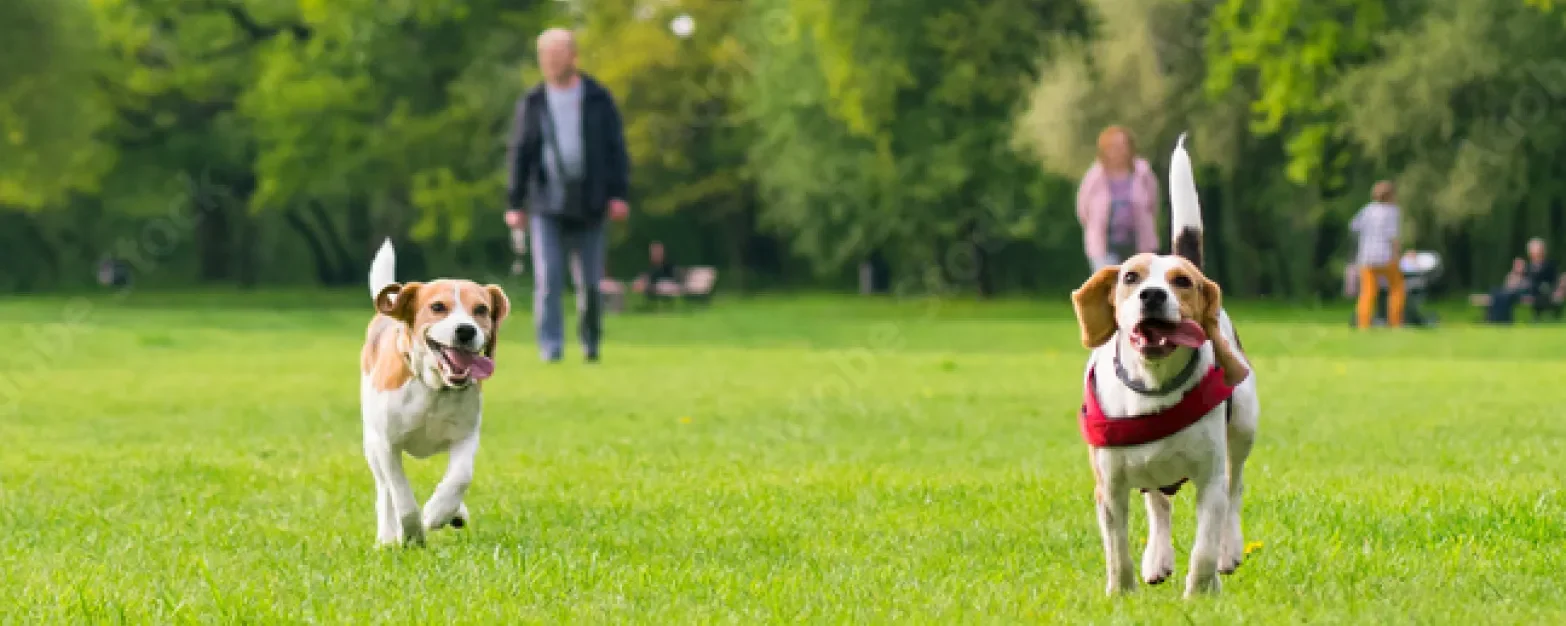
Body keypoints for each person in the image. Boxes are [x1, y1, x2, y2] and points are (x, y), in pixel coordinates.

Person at [504, 28, 631, 363]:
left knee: (590, 283)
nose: (551, 62)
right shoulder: (533, 102)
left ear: (573, 57)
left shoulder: (597, 98)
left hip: (591, 201)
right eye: (546, 56)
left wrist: (618, 194)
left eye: (558, 55)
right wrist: (515, 203)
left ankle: (590, 344)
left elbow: (615, 148)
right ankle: (551, 348)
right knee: (548, 281)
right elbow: (521, 152)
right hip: (546, 202)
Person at [1075, 126, 1160, 271]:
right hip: (1105, 244)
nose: (1119, 151)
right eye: (1113, 147)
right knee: (1110, 286)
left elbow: (1153, 202)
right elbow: (1083, 209)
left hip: (1138, 244)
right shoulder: (1095, 175)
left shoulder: (1142, 171)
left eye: (1122, 146)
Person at [1349, 180, 1404, 329]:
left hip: (1366, 257)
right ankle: (1395, 322)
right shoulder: (1392, 211)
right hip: (1385, 256)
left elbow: (1354, 227)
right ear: (1390, 195)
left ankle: (1363, 323)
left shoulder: (1367, 210)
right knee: (1397, 288)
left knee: (1367, 292)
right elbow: (1393, 236)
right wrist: (1397, 255)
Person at [631, 241, 680, 306]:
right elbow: (640, 284)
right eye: (654, 252)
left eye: (658, 251)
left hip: (667, 294)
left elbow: (675, 284)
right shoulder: (647, 268)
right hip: (651, 295)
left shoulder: (670, 267)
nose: (656, 254)